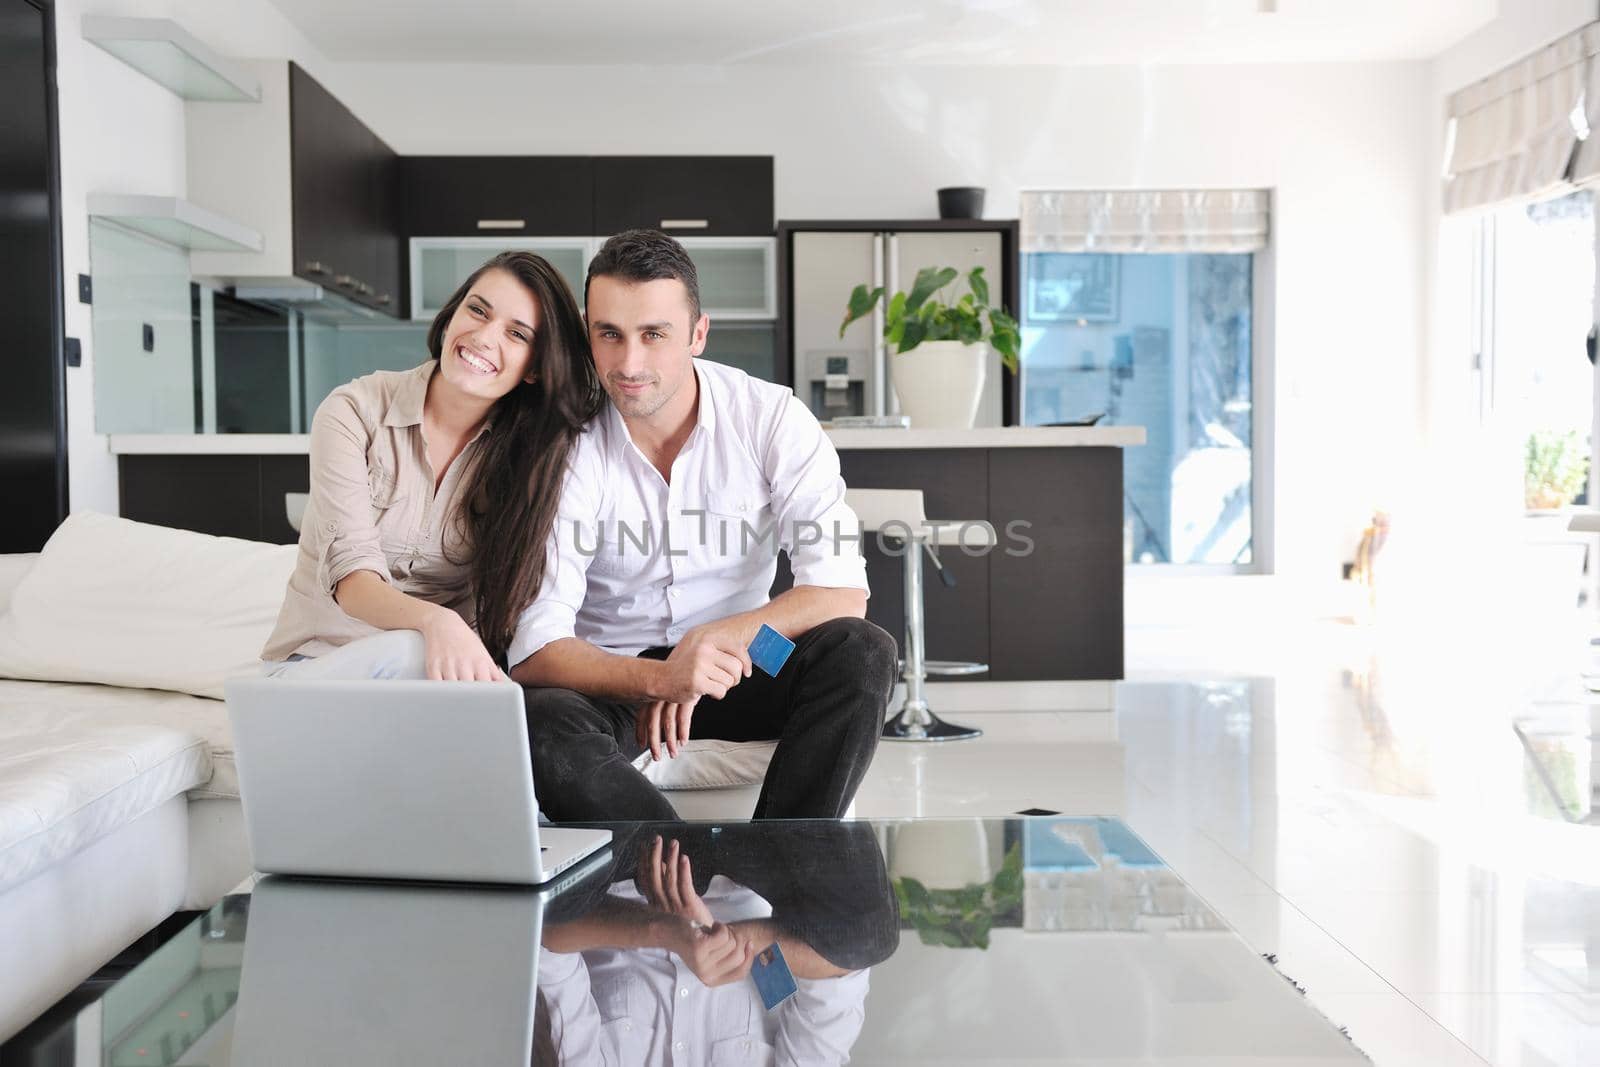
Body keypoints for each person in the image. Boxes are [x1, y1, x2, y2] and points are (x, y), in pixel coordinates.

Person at [510, 229, 898, 821]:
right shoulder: (564, 444)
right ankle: (676, 872)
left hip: (748, 658)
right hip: (614, 671)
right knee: (541, 719)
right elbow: (536, 650)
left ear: (697, 334)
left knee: (861, 651)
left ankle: (788, 861)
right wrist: (658, 678)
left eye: (654, 335)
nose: (629, 363)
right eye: (608, 334)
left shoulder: (770, 417)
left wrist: (717, 639)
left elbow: (842, 590)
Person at [260, 251, 601, 680]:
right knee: (410, 651)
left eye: (516, 334)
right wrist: (439, 623)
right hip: (316, 666)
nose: (483, 337)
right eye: (478, 310)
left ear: (535, 367)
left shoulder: (530, 454)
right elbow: (354, 583)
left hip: (434, 678)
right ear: (452, 314)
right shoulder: (354, 412)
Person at [536, 821, 899, 1065]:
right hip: (748, 857)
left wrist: (667, 931)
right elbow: (839, 972)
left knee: (548, 728)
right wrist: (720, 936)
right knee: (868, 935)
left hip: (626, 854)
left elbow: (544, 935)